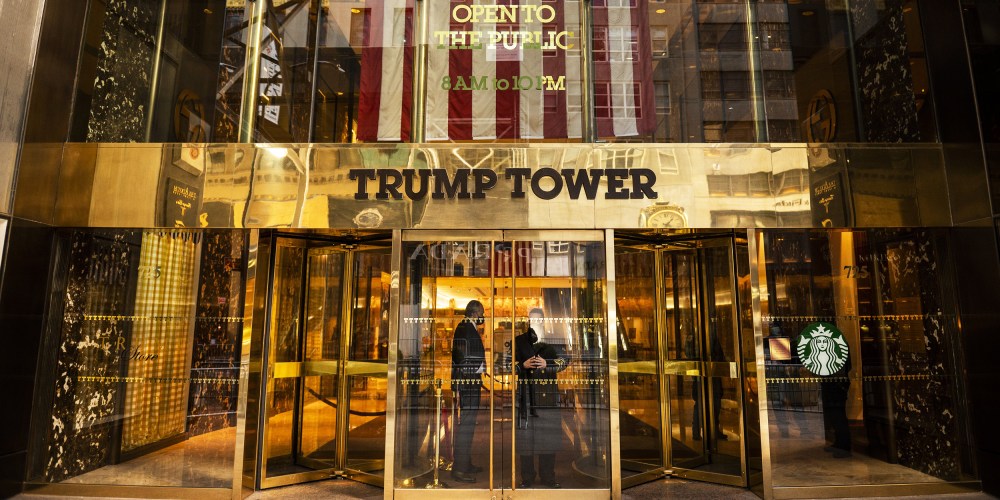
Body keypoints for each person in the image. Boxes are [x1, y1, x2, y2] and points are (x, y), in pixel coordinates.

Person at [514, 308, 568, 488]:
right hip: (527, 397)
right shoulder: (519, 341)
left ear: (543, 321)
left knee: (548, 438)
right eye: (532, 320)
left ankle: (548, 477)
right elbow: (505, 363)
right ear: (528, 321)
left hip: (548, 397)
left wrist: (548, 363)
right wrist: (522, 365)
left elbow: (565, 360)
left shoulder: (553, 340)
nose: (535, 322)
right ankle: (527, 478)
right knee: (526, 440)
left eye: (538, 319)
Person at [451, 300, 486, 483]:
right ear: (474, 313)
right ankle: (459, 469)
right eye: (482, 312)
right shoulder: (464, 328)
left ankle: (466, 463)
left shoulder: (467, 327)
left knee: (469, 425)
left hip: (470, 383)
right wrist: (478, 369)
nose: (483, 316)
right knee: (465, 425)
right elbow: (461, 358)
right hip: (467, 384)